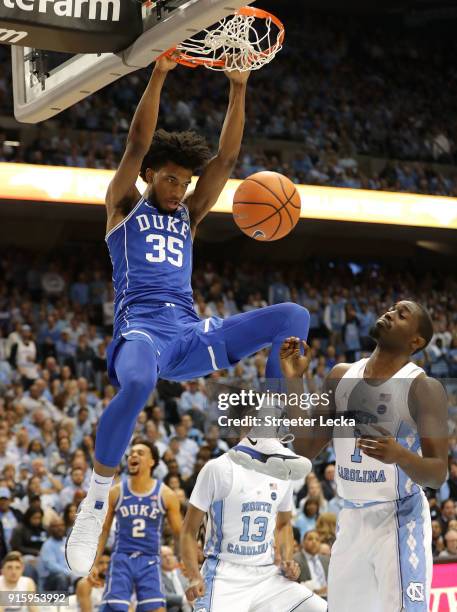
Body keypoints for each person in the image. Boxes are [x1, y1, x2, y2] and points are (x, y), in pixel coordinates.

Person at [66, 53, 311, 575]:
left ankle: (267, 438)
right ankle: (95, 500)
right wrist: (158, 74)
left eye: (185, 183)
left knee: (294, 316)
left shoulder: (190, 216)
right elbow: (135, 144)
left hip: (190, 332)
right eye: (171, 180)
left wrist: (238, 87)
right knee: (135, 386)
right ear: (151, 176)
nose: (180, 190)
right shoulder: (123, 207)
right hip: (142, 332)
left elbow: (225, 159)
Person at [280, 300, 449, 612]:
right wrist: (293, 382)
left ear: (416, 341)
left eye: (402, 315)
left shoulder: (423, 388)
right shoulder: (340, 376)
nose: (390, 313)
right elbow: (305, 448)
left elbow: (438, 474)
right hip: (352, 518)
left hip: (398, 518)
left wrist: (401, 455)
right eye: (392, 308)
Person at [180, 450, 326, 611]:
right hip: (225, 574)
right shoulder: (219, 468)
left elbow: (284, 524)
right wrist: (194, 576)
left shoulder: (283, 471)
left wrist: (287, 560)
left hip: (267, 574)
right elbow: (188, 530)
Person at [87, 440, 182, 612]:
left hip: (150, 559)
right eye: (131, 453)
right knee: (115, 608)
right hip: (122, 558)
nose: (133, 455)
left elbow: (180, 533)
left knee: (157, 609)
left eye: (140, 453)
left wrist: (187, 564)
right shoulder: (115, 492)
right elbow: (104, 531)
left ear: (152, 462)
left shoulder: (166, 494)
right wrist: (93, 563)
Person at [294, 530, 329, 598]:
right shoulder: (295, 560)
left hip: (329, 597)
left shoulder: (326, 560)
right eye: (310, 539)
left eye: (317, 539)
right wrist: (315, 591)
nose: (314, 542)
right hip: (308, 598)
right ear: (303, 542)